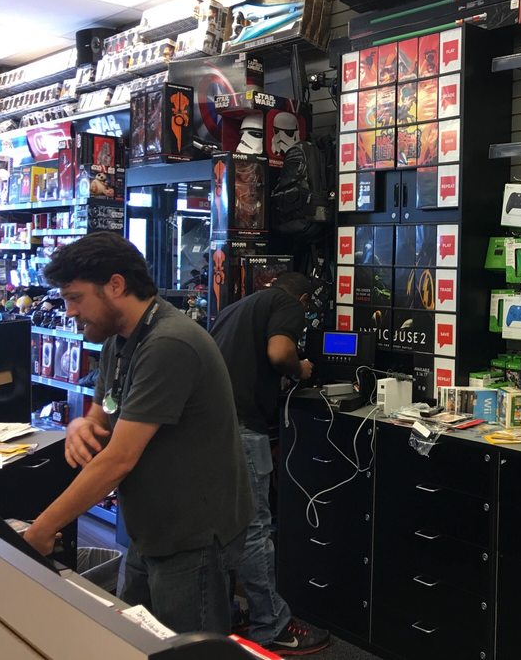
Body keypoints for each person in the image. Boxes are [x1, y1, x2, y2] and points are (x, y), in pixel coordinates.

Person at [24, 232, 252, 635]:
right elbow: (102, 417)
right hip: (150, 529)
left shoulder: (169, 343)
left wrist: (41, 530)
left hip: (191, 537)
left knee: (187, 649)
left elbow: (118, 459)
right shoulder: (120, 339)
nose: (69, 310)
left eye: (75, 297)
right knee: (136, 638)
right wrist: (80, 424)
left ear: (115, 285)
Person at [210, 271, 330, 655]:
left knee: (222, 527)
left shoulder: (234, 309)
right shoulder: (287, 304)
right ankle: (272, 626)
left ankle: (224, 614)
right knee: (255, 527)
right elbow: (280, 353)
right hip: (244, 426)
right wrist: (300, 369)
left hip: (211, 427)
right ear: (304, 300)